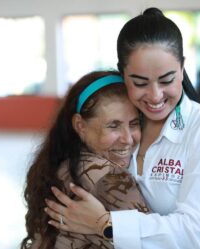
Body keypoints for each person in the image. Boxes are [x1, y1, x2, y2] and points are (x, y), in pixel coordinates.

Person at [45, 7, 200, 249]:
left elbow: (196, 234)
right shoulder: (123, 122)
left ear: (182, 67)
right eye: (140, 83)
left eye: (167, 80)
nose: (155, 96)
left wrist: (105, 225)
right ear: (123, 73)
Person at [20, 71, 151, 249]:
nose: (128, 139)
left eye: (134, 124)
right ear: (80, 125)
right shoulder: (111, 178)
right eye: (114, 126)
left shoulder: (57, 164)